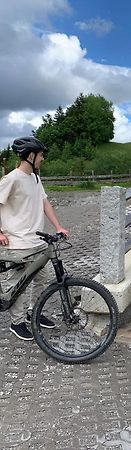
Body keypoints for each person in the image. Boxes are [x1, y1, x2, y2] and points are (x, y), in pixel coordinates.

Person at [0, 136, 69, 340]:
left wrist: (58, 226)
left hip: (37, 241)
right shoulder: (11, 179)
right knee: (19, 284)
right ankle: (17, 322)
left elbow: (45, 203)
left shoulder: (35, 178)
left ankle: (34, 312)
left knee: (42, 278)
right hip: (18, 242)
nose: (43, 159)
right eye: (41, 155)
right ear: (31, 156)